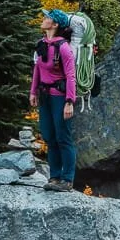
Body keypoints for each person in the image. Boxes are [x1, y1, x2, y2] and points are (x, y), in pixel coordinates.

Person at [30, 11, 77, 192]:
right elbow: (37, 70)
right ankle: (54, 177)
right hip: (44, 96)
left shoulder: (63, 48)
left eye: (47, 18)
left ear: (55, 24)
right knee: (49, 136)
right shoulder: (41, 44)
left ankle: (67, 179)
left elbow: (71, 76)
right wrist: (33, 92)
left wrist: (69, 101)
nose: (44, 19)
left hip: (59, 97)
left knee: (63, 137)